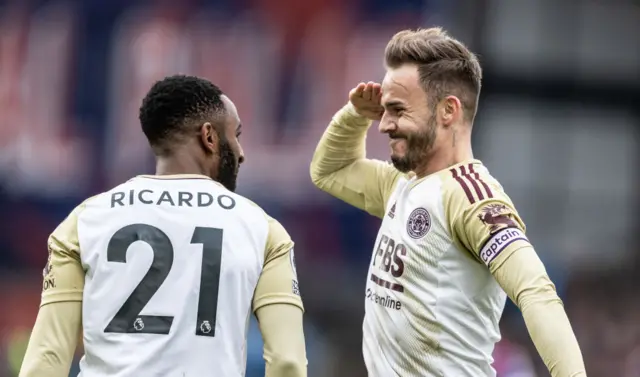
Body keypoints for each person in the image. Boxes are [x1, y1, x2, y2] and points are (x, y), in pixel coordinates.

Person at [310, 27, 586, 377]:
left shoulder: (472, 197)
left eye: (397, 109)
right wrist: (354, 115)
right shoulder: (402, 183)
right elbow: (330, 170)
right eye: (384, 110)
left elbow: (536, 293)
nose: (384, 124)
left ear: (447, 111)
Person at [19, 75, 307, 377]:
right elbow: (288, 363)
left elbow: (46, 358)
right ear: (209, 137)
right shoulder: (263, 229)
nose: (241, 152)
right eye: (236, 135)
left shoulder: (85, 221)